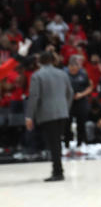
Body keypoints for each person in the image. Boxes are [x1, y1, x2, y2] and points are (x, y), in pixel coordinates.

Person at [24, 50, 74, 181]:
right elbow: (71, 93)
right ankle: (58, 169)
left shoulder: (37, 75)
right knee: (57, 142)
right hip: (62, 112)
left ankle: (58, 172)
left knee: (53, 143)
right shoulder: (63, 73)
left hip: (47, 113)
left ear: (40, 61)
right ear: (52, 60)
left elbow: (34, 97)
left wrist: (29, 116)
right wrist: (65, 108)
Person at [66, 54, 94, 145]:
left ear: (78, 67)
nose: (72, 69)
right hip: (68, 102)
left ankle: (80, 143)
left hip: (81, 101)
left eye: (74, 67)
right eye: (71, 67)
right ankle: (67, 143)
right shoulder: (64, 74)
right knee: (67, 123)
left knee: (81, 123)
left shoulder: (83, 74)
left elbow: (90, 87)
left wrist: (82, 94)